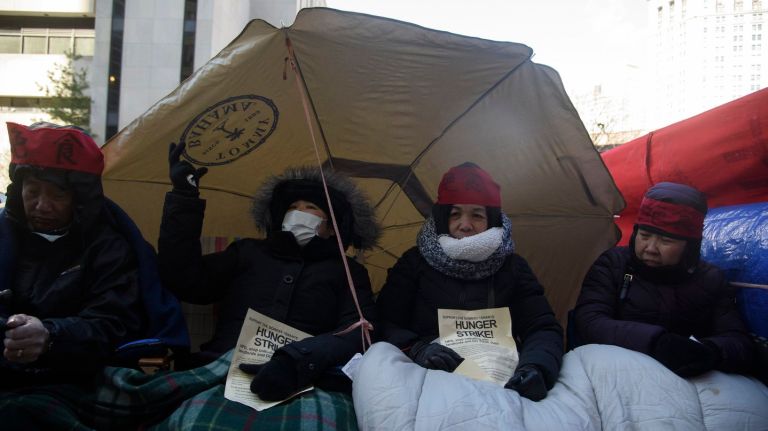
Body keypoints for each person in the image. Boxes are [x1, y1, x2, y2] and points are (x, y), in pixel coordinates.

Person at [159, 143, 380, 400]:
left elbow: (358, 334)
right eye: (292, 207)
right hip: (222, 369)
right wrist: (184, 198)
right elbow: (185, 279)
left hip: (302, 382)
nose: (299, 213)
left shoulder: (349, 273)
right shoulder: (247, 252)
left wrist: (297, 361)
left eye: (311, 208)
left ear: (331, 229)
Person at [376, 162, 564, 402]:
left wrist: (535, 367)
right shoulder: (414, 263)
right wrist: (418, 349)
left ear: (492, 220)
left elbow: (542, 328)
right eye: (455, 214)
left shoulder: (513, 267)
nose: (465, 225)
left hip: (500, 381)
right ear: (443, 218)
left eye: (477, 214)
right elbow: (385, 322)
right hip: (426, 378)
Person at [0, 122, 146, 391]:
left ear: (80, 198)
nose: (42, 206)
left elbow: (114, 325)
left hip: (75, 382)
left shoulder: (108, 249)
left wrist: (50, 337)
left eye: (57, 194)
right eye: (32, 192)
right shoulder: (4, 234)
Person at [573, 182, 754, 377]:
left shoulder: (711, 279)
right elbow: (590, 321)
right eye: (644, 235)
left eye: (665, 240)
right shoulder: (613, 264)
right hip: (614, 370)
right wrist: (656, 341)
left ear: (690, 246)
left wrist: (711, 351)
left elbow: (738, 340)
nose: (650, 247)